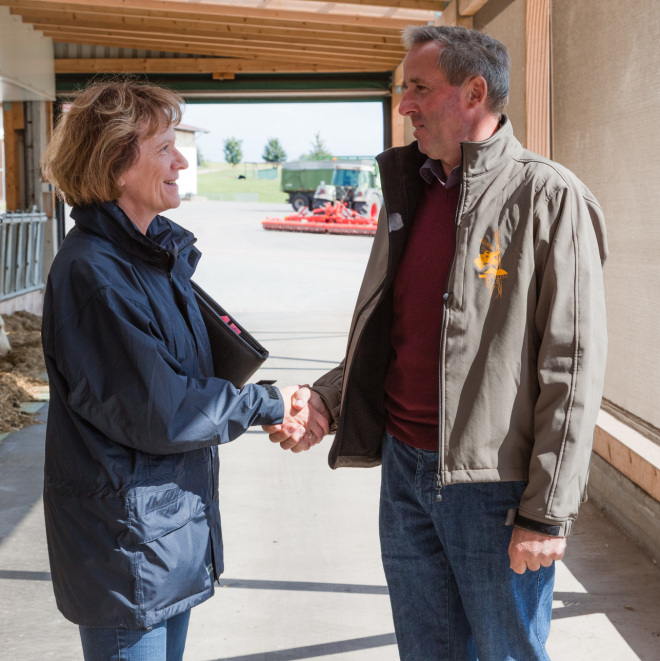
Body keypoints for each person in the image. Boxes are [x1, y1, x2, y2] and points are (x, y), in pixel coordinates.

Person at [266, 25, 607, 660]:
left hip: (493, 490)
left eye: (419, 88)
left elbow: (574, 364)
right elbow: (400, 335)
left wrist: (547, 512)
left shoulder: (548, 197)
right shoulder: (414, 189)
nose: (405, 106)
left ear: (474, 93)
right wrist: (326, 398)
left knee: (506, 654)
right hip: (405, 472)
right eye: (403, 90)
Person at [40, 80, 325, 661]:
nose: (182, 160)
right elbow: (163, 408)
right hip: (127, 548)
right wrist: (271, 403)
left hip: (160, 535)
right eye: (164, 147)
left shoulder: (148, 257)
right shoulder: (95, 273)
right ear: (117, 163)